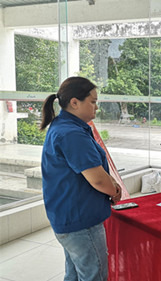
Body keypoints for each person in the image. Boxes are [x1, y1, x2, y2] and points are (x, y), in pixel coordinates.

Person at [40, 76, 122, 281]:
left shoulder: (65, 127)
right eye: (92, 102)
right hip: (81, 221)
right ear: (75, 103)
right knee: (93, 275)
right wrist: (115, 191)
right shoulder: (71, 134)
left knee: (75, 273)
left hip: (69, 216)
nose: (96, 107)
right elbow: (97, 180)